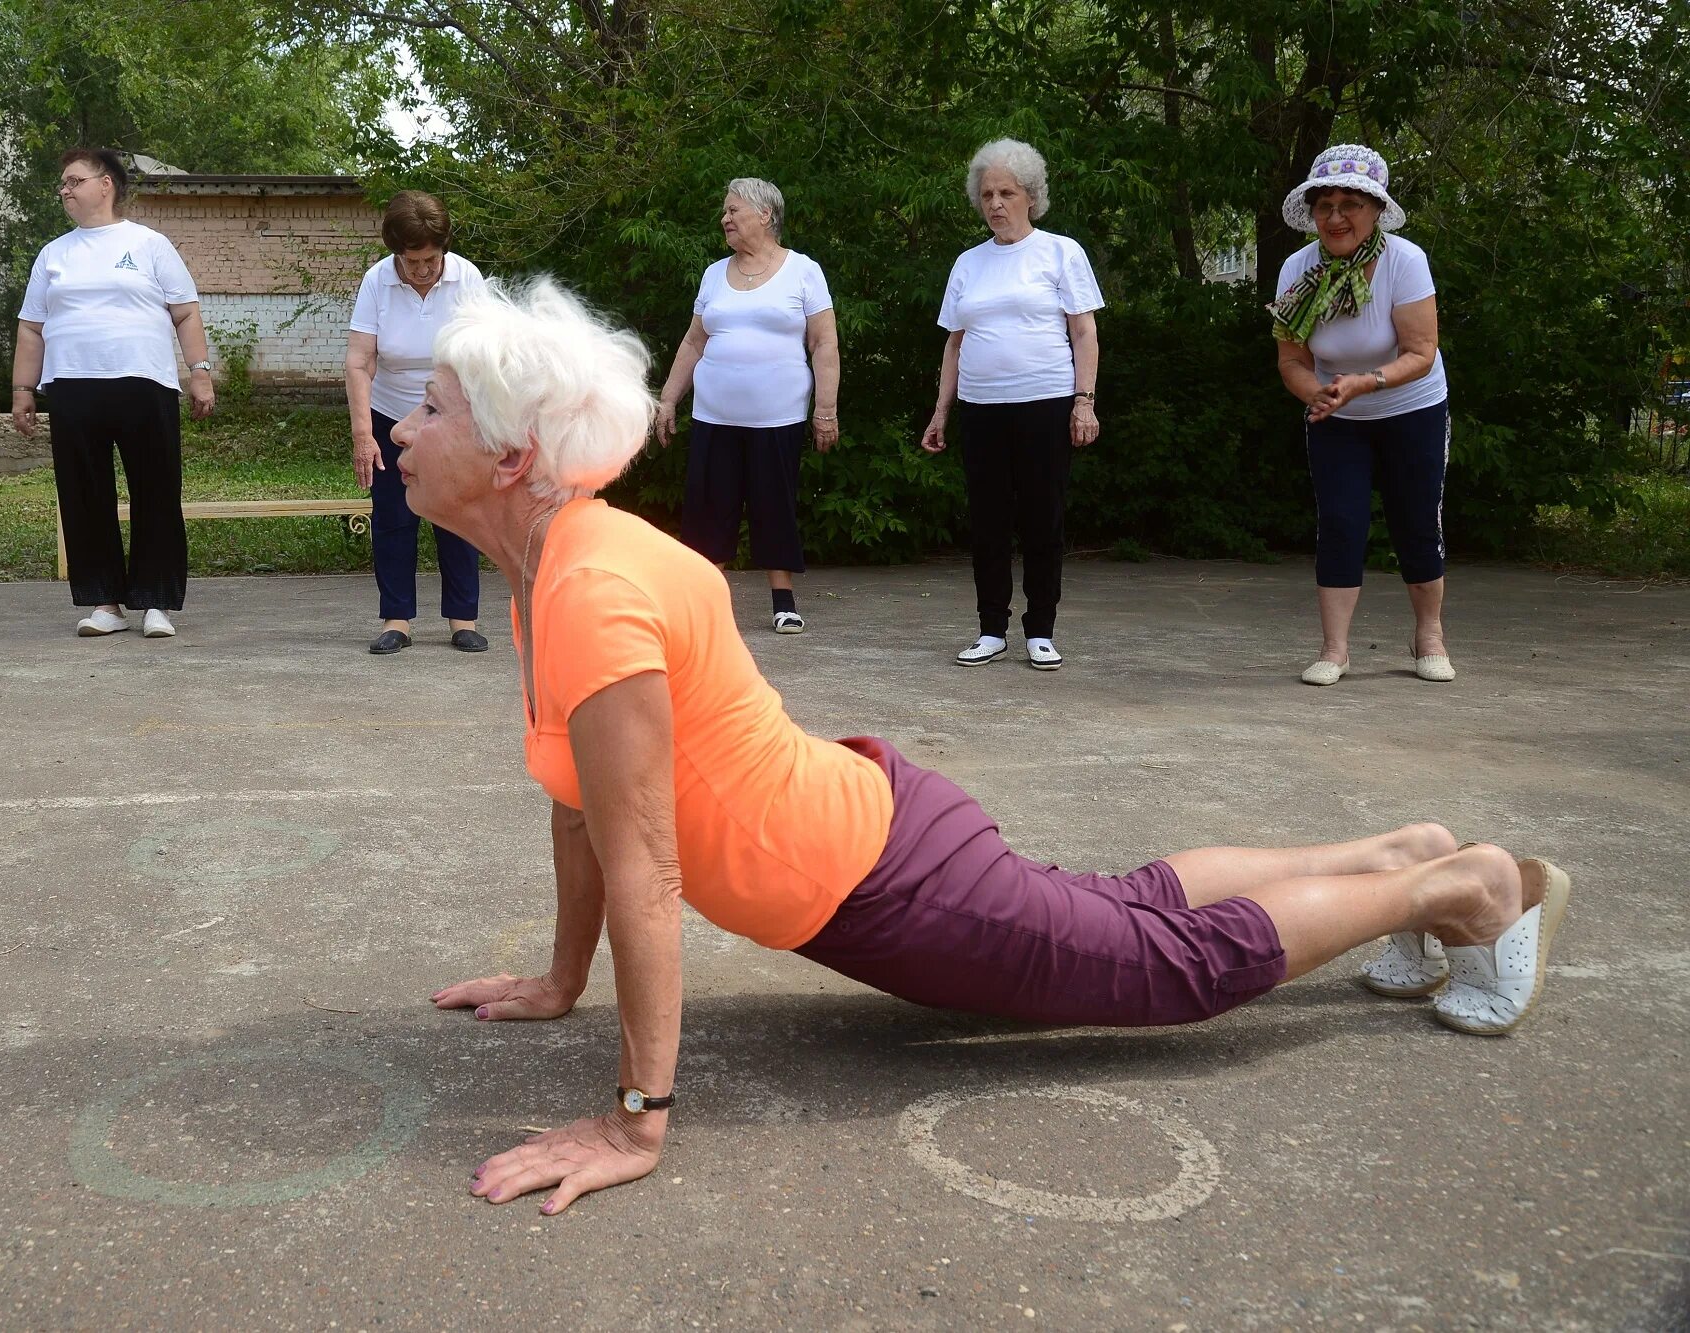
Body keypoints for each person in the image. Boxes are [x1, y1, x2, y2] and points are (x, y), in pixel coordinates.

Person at [388, 278, 1572, 1217]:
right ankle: (1398, 848)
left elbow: (646, 872)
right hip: (876, 831)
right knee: (1133, 903)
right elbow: (579, 805)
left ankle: (1452, 886)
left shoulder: (592, 589)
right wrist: (558, 981)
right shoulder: (556, 569)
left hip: (888, 882)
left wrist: (635, 1117)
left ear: (509, 458)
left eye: (431, 406)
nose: (401, 424)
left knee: (1163, 969)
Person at [11, 148, 215, 639]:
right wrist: (22, 388)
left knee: (157, 491)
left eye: (73, 180)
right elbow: (31, 329)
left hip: (144, 383)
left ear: (106, 185)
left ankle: (156, 603)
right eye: (62, 183)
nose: (64, 190)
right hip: (73, 388)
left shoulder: (149, 245)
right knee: (84, 496)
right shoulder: (53, 254)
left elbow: (185, 312)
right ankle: (104, 603)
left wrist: (200, 372)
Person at [1271, 144, 1453, 686]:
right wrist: (1317, 395)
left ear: (1375, 209)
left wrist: (1364, 383)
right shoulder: (1296, 268)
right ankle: (1335, 650)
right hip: (1337, 415)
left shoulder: (1405, 261)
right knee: (1341, 522)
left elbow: (1420, 354)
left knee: (1416, 520)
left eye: (1350, 203)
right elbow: (1292, 359)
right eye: (1324, 205)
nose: (1335, 217)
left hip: (1412, 406)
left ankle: (1430, 638)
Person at [920, 139, 1102, 671]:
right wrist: (940, 411)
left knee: (1043, 516)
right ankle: (991, 628)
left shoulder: (1060, 252)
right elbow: (953, 343)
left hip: (1044, 403)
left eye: (1007, 192)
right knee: (988, 519)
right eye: (987, 194)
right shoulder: (968, 264)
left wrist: (1083, 402)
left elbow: (1084, 332)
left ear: (1032, 196)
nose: (996, 203)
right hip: (981, 408)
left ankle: (1040, 630)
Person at [655, 178, 839, 634]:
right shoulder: (714, 274)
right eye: (724, 212)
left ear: (765, 214)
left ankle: (783, 601)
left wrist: (826, 409)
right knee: (707, 508)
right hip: (713, 414)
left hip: (778, 416)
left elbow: (824, 343)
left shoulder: (803, 271)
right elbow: (694, 341)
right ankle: (703, 605)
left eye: (734, 210)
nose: (725, 219)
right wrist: (667, 400)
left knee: (773, 504)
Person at [345, 190, 489, 655]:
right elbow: (359, 361)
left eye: (432, 259)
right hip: (390, 419)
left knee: (458, 515)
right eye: (413, 262)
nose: (424, 269)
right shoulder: (377, 282)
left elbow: (485, 358)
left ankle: (463, 620)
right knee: (393, 518)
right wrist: (363, 435)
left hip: (451, 417)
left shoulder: (467, 278)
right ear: (395, 254)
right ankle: (397, 619)